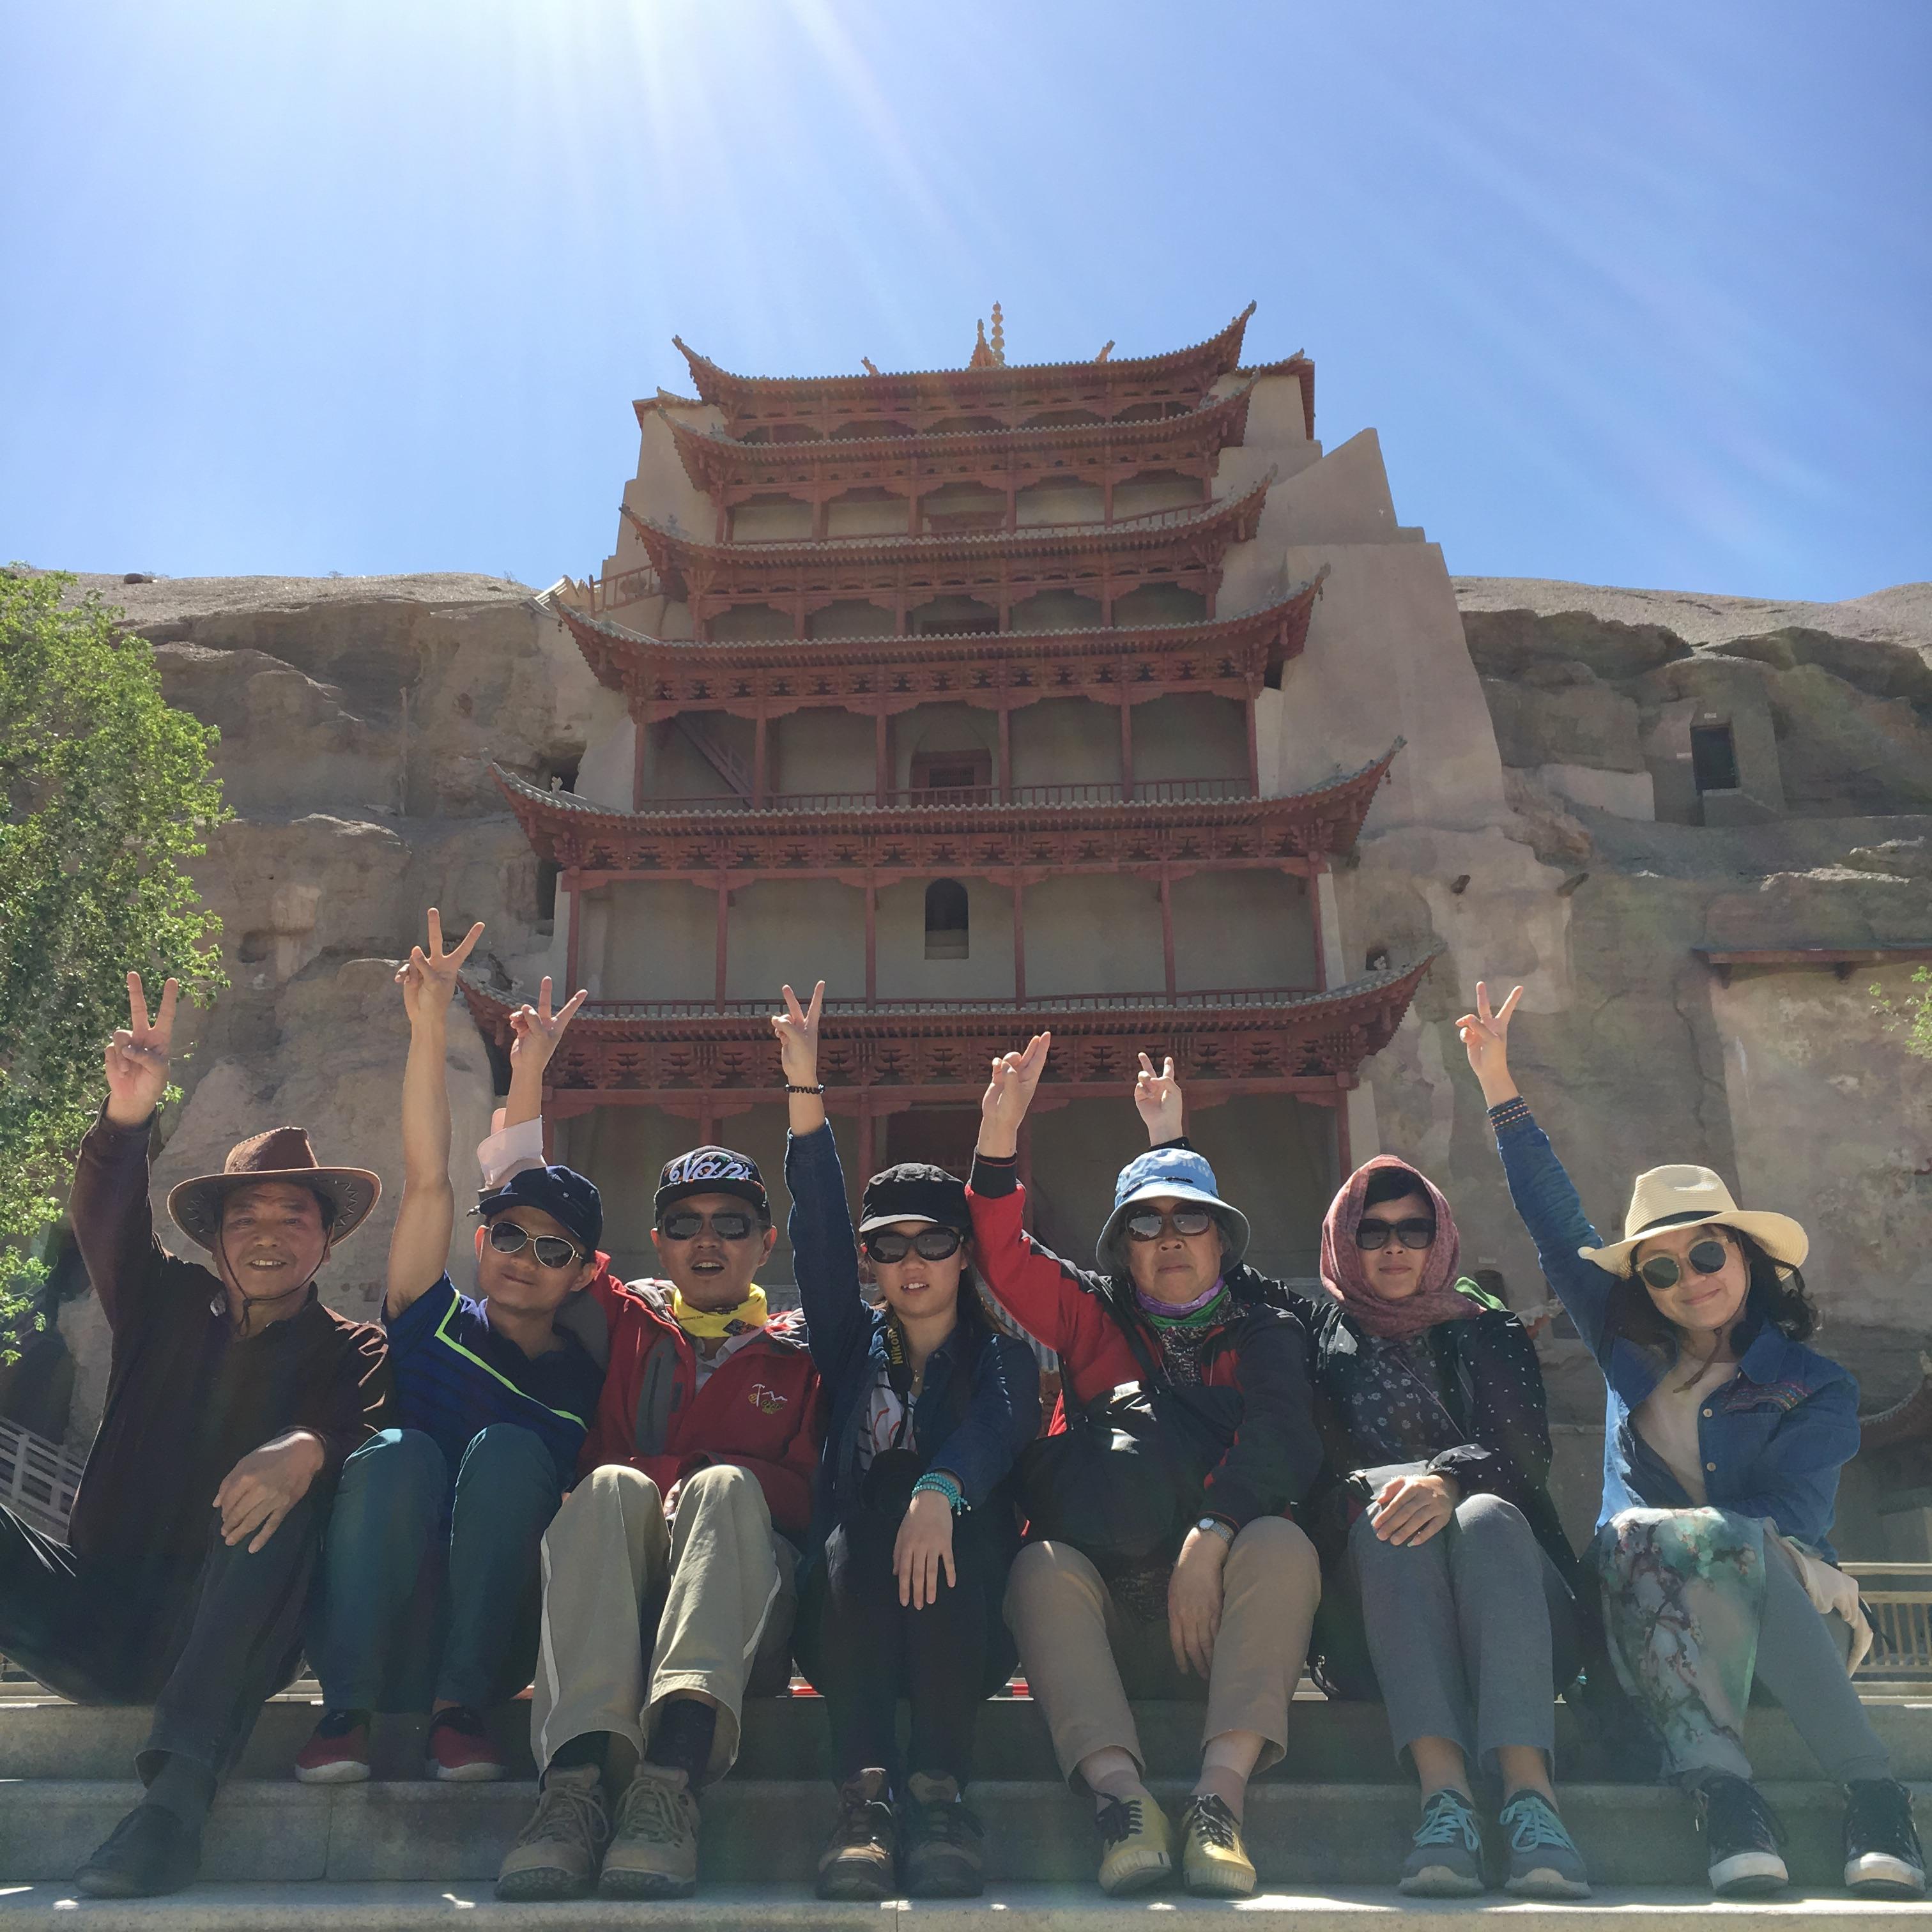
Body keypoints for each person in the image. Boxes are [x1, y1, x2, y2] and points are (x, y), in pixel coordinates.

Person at [1459, 978, 1925, 1901]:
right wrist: (1498, 1084)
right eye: (1663, 1269)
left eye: (1708, 1254)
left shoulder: (1815, 1386)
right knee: (1640, 1541)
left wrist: (1694, 1542)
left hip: (1777, 1614)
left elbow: (1792, 1516)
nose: (1690, 1279)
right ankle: (1729, 1801)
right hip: (1650, 1623)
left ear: (1747, 1257)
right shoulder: (1630, 1353)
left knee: (1718, 1537)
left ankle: (1877, 1799)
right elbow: (1556, 1226)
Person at [0, 972, 389, 1897]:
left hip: (229, 1628)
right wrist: (128, 1114)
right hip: (98, 1612)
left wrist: (308, 1447)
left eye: (292, 1217)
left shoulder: (350, 1346)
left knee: (275, 1505)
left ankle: (171, 1811)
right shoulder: (162, 1303)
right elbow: (106, 1218)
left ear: (325, 1240)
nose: (267, 1235)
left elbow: (366, 1427)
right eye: (244, 1218)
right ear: (215, 1240)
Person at [969, 1032, 1324, 1900]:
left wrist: (1212, 1533)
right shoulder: (1094, 1319)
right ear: (1121, 1249)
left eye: (1190, 1220)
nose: (1169, 1238)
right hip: (1115, 1614)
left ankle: (1218, 1802)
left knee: (1280, 1543)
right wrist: (999, 1137)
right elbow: (1003, 1256)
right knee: (1039, 1567)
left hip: (1226, 1618)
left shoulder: (1264, 1332)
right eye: (1144, 1224)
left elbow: (1283, 1437)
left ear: (1222, 1241)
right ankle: (1122, 1803)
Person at [296, 917, 604, 1783]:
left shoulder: (584, 1375)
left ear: (584, 1275)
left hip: (494, 1643)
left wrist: (532, 1074)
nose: (523, 1259)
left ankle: (458, 1712)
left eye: (554, 1250)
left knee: (509, 1452)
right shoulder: (429, 1318)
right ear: (480, 1242)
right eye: (508, 1236)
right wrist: (430, 1024)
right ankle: (345, 1713)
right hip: (381, 1615)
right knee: (400, 1451)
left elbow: (520, 1179)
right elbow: (431, 1177)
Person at [494, 1122, 821, 1901]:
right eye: (683, 1224)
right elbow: (529, 1206)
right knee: (610, 1485)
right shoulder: (627, 1320)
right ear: (657, 1245)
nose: (707, 1241)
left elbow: (808, 1495)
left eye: (731, 1224)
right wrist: (521, 1071)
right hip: (618, 1607)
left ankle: (670, 1784)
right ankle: (572, 1791)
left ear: (766, 1244)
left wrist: (700, 1476)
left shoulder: (802, 1354)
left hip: (740, 1619)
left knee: (726, 1490)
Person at [775, 983, 1039, 1901]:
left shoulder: (1004, 1357)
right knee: (871, 1510)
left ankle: (938, 1792)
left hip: (964, 1620)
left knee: (937, 1508)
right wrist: (805, 1091)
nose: (913, 1262)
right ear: (872, 1262)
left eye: (934, 1242)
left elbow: (997, 1429)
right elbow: (815, 1235)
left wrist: (941, 1489)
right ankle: (866, 1799)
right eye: (890, 1247)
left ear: (965, 1253)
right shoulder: (852, 1347)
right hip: (850, 1610)